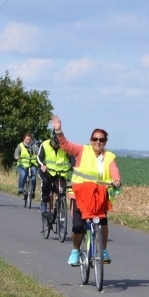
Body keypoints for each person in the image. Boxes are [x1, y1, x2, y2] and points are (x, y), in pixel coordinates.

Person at [50, 114, 121, 265]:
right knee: (77, 226)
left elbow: (114, 170)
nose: (98, 142)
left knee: (102, 224)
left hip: (98, 196)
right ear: (91, 140)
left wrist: (116, 180)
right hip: (79, 195)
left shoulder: (109, 157)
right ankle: (75, 251)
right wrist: (58, 130)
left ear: (105, 142)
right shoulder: (83, 150)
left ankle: (103, 250)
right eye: (95, 139)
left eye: (101, 140)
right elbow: (66, 145)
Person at [37, 132, 72, 217]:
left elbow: (72, 158)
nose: (57, 146)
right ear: (51, 140)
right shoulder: (45, 144)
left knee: (62, 192)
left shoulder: (65, 146)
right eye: (55, 144)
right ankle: (44, 203)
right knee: (45, 182)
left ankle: (59, 211)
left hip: (60, 173)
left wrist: (74, 167)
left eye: (58, 144)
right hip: (47, 171)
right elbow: (39, 157)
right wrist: (42, 166)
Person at [14, 132, 38, 197]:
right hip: (22, 164)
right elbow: (16, 152)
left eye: (29, 139)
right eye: (27, 139)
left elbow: (38, 151)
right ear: (24, 139)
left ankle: (32, 191)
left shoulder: (34, 145)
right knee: (23, 174)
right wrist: (17, 156)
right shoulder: (20, 145)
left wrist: (39, 156)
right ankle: (20, 188)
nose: (28, 141)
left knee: (33, 178)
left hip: (32, 164)